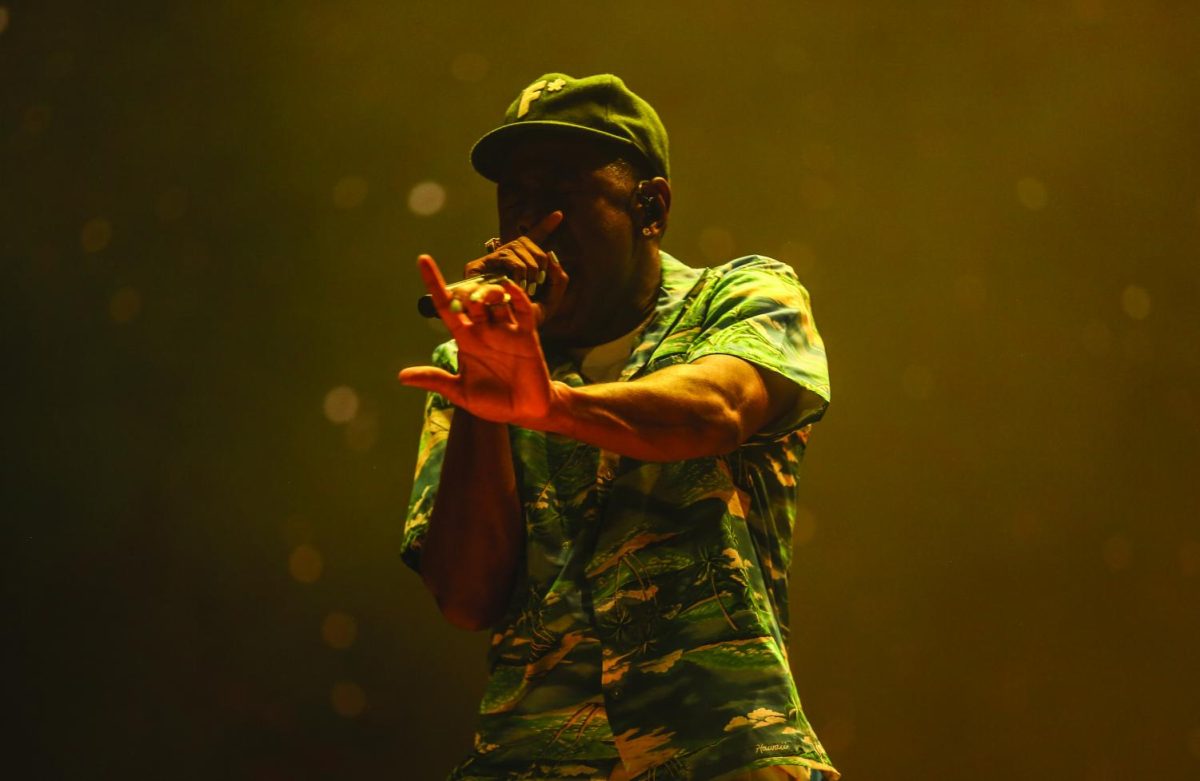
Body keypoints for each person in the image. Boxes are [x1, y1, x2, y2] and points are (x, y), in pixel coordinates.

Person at [399, 73, 839, 781]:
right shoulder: (471, 361)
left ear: (650, 207)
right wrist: (487, 399)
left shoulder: (745, 296)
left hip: (722, 751)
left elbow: (719, 409)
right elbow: (466, 596)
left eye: (562, 195)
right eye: (517, 197)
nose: (533, 221)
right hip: (530, 759)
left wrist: (552, 408)